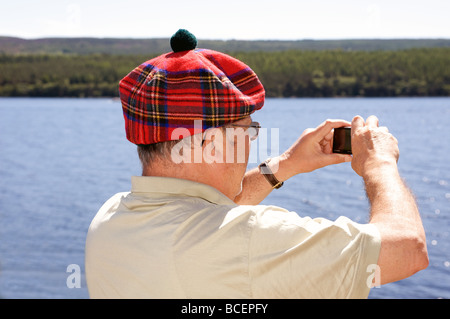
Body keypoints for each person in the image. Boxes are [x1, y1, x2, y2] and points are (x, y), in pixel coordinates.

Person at [85, 30, 428, 298]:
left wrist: (285, 165)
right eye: (248, 130)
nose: (252, 140)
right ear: (209, 142)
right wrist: (380, 164)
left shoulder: (111, 217)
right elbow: (408, 249)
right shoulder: (247, 241)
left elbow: (201, 219)